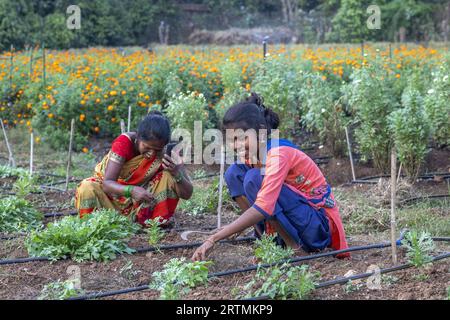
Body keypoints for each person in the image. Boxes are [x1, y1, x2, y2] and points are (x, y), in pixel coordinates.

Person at [192, 93, 349, 261]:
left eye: (242, 138)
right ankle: (267, 242)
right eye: (231, 140)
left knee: (254, 179)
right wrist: (234, 228)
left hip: (317, 229)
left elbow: (264, 206)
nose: (235, 146)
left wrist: (214, 238)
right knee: (233, 173)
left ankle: (295, 250)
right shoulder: (253, 155)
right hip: (299, 220)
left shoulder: (278, 154)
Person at [75, 111, 193, 226]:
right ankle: (94, 225)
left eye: (157, 150)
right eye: (147, 147)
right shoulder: (124, 143)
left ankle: (153, 224)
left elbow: (187, 194)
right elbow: (107, 183)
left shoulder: (167, 152)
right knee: (87, 187)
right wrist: (131, 191)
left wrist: (177, 173)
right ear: (138, 137)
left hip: (142, 203)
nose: (151, 154)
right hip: (111, 198)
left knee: (168, 176)